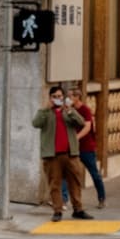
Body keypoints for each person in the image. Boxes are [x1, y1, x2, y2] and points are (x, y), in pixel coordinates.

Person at [31, 84, 91, 223]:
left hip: (70, 154)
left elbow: (81, 122)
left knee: (75, 182)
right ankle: (57, 211)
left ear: (63, 97)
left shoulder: (68, 111)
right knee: (54, 184)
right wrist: (45, 108)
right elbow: (35, 123)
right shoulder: (46, 112)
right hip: (52, 156)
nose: (57, 99)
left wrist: (70, 110)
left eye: (60, 96)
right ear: (50, 98)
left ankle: (78, 209)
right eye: (54, 97)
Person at [71, 86, 106, 207]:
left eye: (70, 96)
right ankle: (65, 199)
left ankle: (101, 198)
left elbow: (88, 127)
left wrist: (77, 137)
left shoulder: (85, 110)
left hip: (86, 147)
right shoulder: (69, 109)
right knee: (67, 173)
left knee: (94, 173)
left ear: (77, 97)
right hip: (73, 147)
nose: (68, 99)